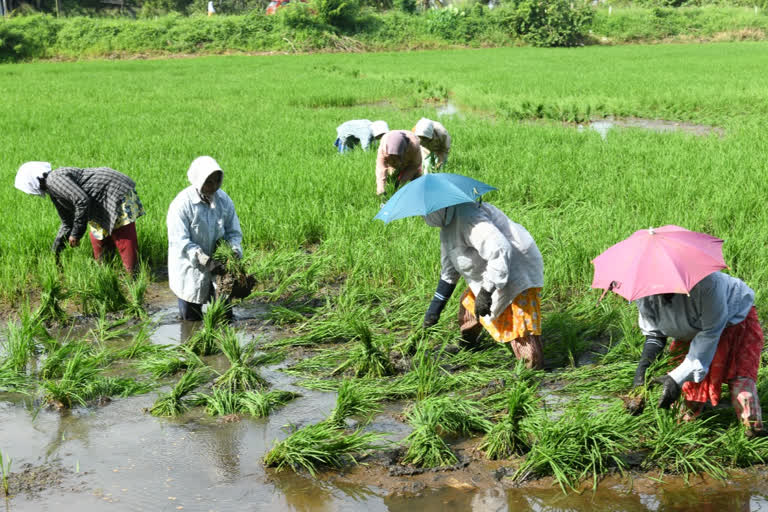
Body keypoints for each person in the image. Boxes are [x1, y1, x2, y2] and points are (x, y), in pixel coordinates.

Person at [630, 271, 765, 436]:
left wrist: (675, 379)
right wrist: (642, 373)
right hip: (689, 327)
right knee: (686, 382)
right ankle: (684, 427)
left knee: (738, 377)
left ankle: (752, 430)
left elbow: (710, 334)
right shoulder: (644, 294)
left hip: (733, 319)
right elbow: (655, 335)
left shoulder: (708, 285)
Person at [421, 202, 545, 369]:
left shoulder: (469, 217)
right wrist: (433, 312)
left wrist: (486, 293)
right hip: (490, 271)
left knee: (518, 323)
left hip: (517, 268)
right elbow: (449, 273)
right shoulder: (447, 229)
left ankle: (531, 371)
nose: (424, 218)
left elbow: (501, 249)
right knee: (469, 305)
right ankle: (469, 347)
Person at [14, 161, 144, 273]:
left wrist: (76, 234)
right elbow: (67, 222)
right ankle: (106, 275)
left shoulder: (54, 179)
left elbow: (82, 201)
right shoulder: (53, 191)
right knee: (98, 238)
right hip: (98, 201)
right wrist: (56, 251)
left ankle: (133, 278)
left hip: (114, 191)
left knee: (122, 237)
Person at [167, 156, 242, 321]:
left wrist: (234, 252)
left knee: (225, 316)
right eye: (209, 182)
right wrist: (204, 260)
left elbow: (233, 232)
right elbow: (180, 241)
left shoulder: (223, 200)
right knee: (191, 319)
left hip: (219, 267)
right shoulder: (181, 205)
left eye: (216, 181)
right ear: (198, 180)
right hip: (190, 268)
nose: (214, 186)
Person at [375, 130, 423, 197]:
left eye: (396, 157)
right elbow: (381, 167)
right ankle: (390, 193)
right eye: (392, 157)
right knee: (391, 176)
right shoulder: (384, 146)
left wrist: (402, 183)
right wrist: (380, 187)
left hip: (410, 162)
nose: (395, 161)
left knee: (418, 181)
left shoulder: (414, 145)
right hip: (393, 158)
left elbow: (414, 165)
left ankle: (417, 197)